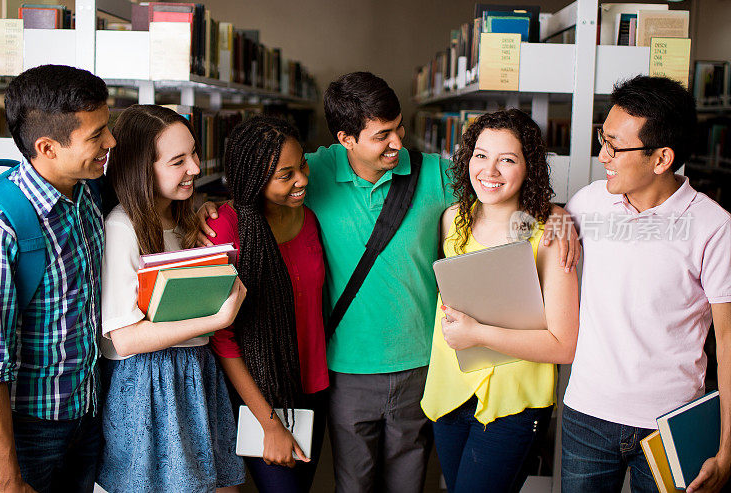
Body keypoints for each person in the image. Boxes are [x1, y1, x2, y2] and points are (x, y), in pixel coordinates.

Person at [199, 72, 579, 493]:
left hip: (423, 367)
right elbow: (262, 181)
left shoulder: (433, 174)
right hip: (345, 369)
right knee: (353, 485)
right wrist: (210, 206)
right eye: (383, 135)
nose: (398, 142)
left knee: (407, 483)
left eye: (399, 127)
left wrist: (557, 212)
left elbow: (498, 188)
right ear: (346, 138)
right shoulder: (314, 172)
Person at [561, 75, 731, 493]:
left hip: (670, 425)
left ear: (661, 158)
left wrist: (727, 448)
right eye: (603, 140)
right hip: (586, 415)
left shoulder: (713, 227)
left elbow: (728, 342)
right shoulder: (588, 202)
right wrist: (555, 215)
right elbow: (550, 215)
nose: (603, 156)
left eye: (615, 147)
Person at [0, 64, 114, 492]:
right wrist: (8, 475)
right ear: (47, 147)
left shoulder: (87, 193)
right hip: (27, 432)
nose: (111, 143)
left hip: (87, 414)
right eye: (97, 135)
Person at [420, 109, 580, 493]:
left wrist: (477, 333)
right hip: (450, 396)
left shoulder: (551, 236)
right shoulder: (451, 221)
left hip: (513, 407)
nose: (489, 170)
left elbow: (563, 346)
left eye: (507, 159)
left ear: (529, 168)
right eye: (480, 155)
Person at [98, 104, 246, 493]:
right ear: (140, 169)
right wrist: (217, 319)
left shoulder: (183, 219)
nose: (195, 168)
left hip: (196, 373)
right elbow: (125, 338)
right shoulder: (121, 227)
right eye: (178, 161)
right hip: (149, 386)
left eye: (194, 153)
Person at [206, 115, 329, 493]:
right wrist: (269, 423)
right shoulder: (226, 227)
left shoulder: (309, 217)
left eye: (303, 165)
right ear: (254, 178)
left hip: (313, 386)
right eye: (286, 174)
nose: (303, 179)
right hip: (259, 396)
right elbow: (221, 337)